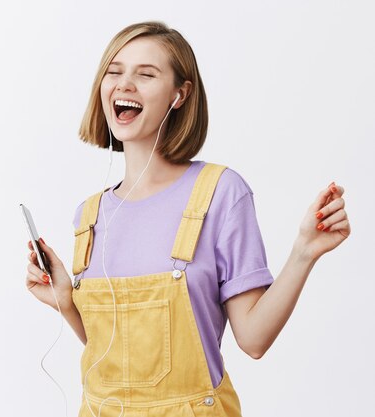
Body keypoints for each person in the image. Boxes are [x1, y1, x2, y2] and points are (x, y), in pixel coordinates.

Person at [24, 21, 350, 417]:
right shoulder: (89, 215)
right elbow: (109, 355)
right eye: (115, 71)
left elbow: (254, 340)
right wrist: (66, 304)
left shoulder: (220, 193)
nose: (125, 84)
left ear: (180, 94)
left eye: (145, 74)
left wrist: (304, 252)